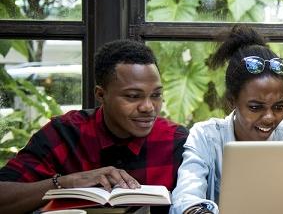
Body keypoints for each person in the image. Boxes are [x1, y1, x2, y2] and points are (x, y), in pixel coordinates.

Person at [0, 39, 189, 213]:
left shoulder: (177, 141)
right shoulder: (64, 133)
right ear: (100, 95)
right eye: (133, 96)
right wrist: (66, 183)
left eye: (156, 95)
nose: (148, 107)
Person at [170, 25, 283, 214]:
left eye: (278, 107)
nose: (269, 117)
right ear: (233, 101)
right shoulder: (206, 137)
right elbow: (185, 197)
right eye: (255, 107)